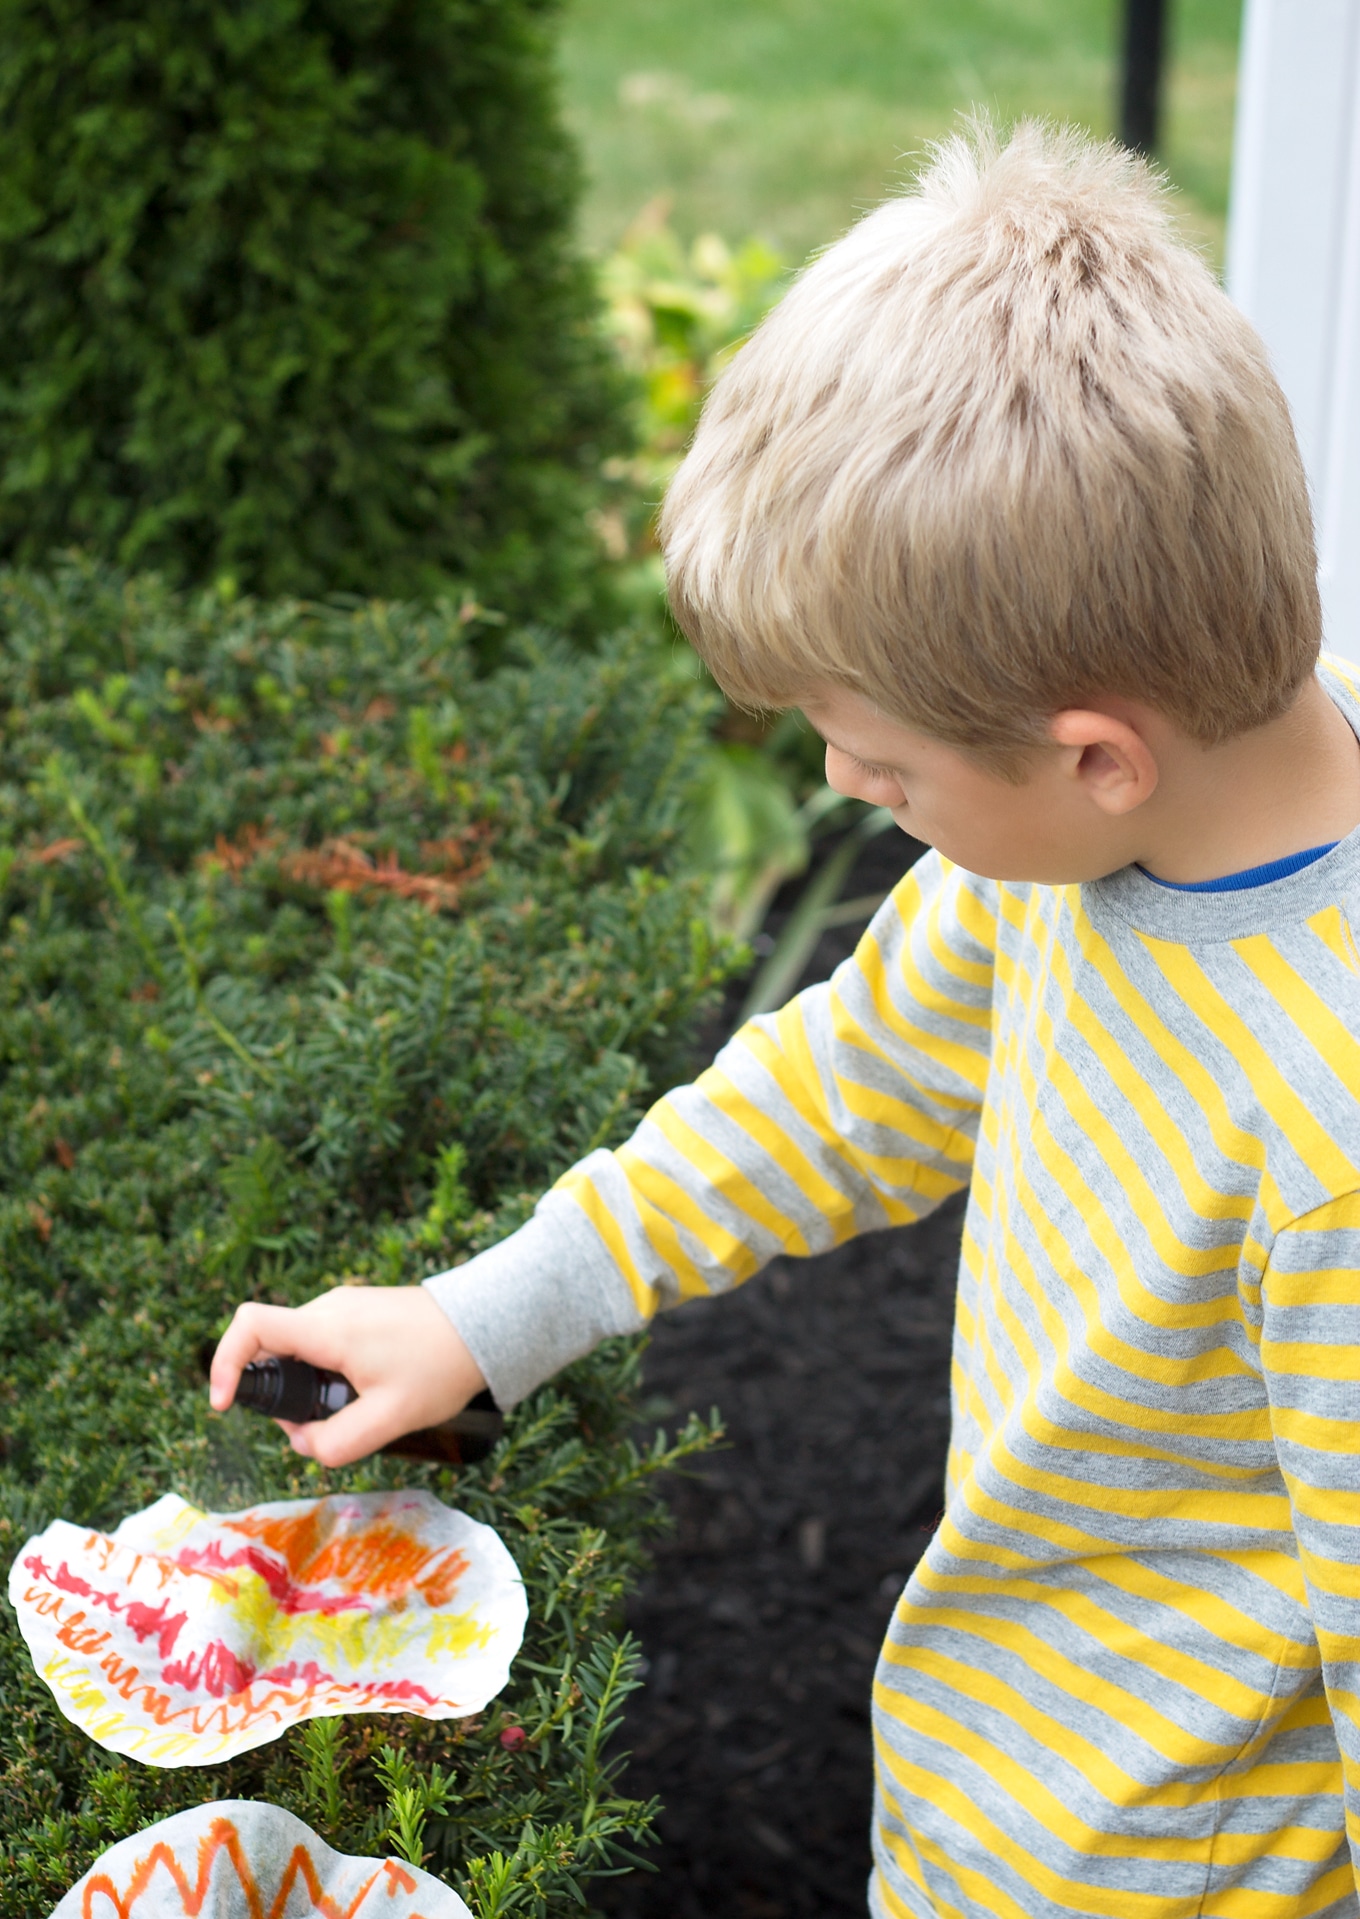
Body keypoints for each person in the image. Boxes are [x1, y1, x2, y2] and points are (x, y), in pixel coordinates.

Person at [211, 120, 1360, 1917]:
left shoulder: (1328, 1140)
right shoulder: (1060, 859)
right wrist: (490, 1314)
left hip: (1157, 1874)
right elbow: (845, 1086)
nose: (842, 783)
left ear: (1092, 753)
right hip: (990, 1775)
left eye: (882, 765)